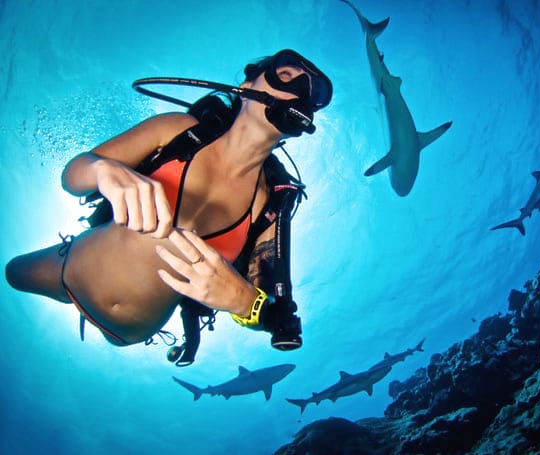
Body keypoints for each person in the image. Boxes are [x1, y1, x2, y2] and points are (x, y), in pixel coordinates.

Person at [5, 50, 332, 359]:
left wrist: (244, 302)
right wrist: (102, 169)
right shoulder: (177, 130)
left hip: (129, 332)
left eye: (312, 94)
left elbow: (274, 314)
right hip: (66, 270)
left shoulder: (271, 203)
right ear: (246, 87)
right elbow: (72, 176)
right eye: (286, 75)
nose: (298, 92)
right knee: (10, 273)